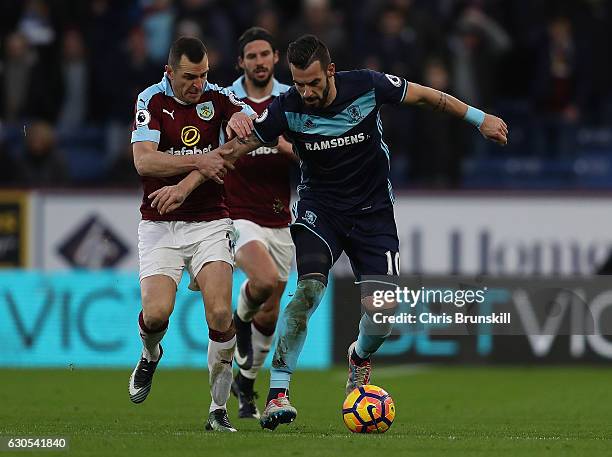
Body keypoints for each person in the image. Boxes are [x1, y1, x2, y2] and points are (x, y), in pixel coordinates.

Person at [149, 34, 508, 430]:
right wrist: (183, 187)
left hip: (374, 217)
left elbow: (427, 97)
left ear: (331, 71)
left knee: (384, 313)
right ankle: (278, 393)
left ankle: (359, 357)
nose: (306, 91)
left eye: (314, 83)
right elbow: (232, 152)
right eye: (299, 83)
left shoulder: (368, 85)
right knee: (308, 290)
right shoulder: (287, 108)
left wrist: (481, 119)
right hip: (321, 212)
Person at [128, 36, 256, 433]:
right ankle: (150, 355)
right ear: (169, 72)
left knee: (219, 312)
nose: (197, 84)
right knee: (157, 313)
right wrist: (203, 158)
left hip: (211, 220)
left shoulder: (218, 99)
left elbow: (249, 131)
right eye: (188, 77)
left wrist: (242, 121)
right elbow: (143, 161)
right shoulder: (150, 101)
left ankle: (217, 411)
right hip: (160, 223)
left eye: (202, 75)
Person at [224, 27, 296, 420]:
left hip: (279, 216)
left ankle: (246, 382)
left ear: (275, 57)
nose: (259, 61)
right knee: (263, 281)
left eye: (265, 54)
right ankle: (239, 321)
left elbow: (308, 154)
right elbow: (215, 152)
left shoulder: (290, 98)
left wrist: (288, 148)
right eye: (251, 56)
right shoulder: (225, 99)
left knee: (271, 312)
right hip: (237, 213)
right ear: (241, 63)